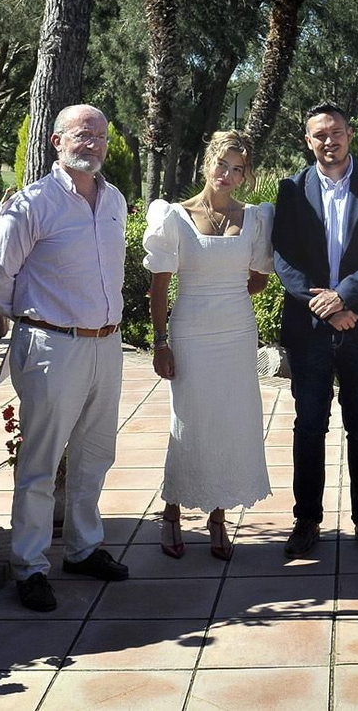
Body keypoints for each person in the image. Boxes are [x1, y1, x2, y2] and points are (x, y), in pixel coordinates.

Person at [0, 104, 130, 612]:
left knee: (94, 456)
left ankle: (85, 549)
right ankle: (29, 566)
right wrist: (31, 320)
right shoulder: (32, 204)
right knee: (41, 463)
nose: (92, 144)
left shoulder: (115, 201)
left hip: (107, 346)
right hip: (52, 346)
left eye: (100, 136)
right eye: (82, 135)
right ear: (56, 140)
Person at [273, 102, 358, 560]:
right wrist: (324, 306)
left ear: (350, 134)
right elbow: (283, 259)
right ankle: (306, 519)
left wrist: (344, 296)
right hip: (309, 329)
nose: (330, 141)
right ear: (308, 141)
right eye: (319, 135)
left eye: (336, 133)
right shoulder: (290, 190)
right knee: (309, 426)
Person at [144, 131, 275, 561]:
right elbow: (158, 285)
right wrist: (161, 341)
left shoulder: (255, 218)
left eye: (238, 169)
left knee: (230, 421)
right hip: (189, 332)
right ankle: (171, 512)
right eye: (222, 164)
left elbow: (258, 278)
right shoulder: (173, 216)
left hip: (237, 333)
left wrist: (227, 299)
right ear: (207, 163)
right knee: (189, 421)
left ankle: (218, 518)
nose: (228, 175)